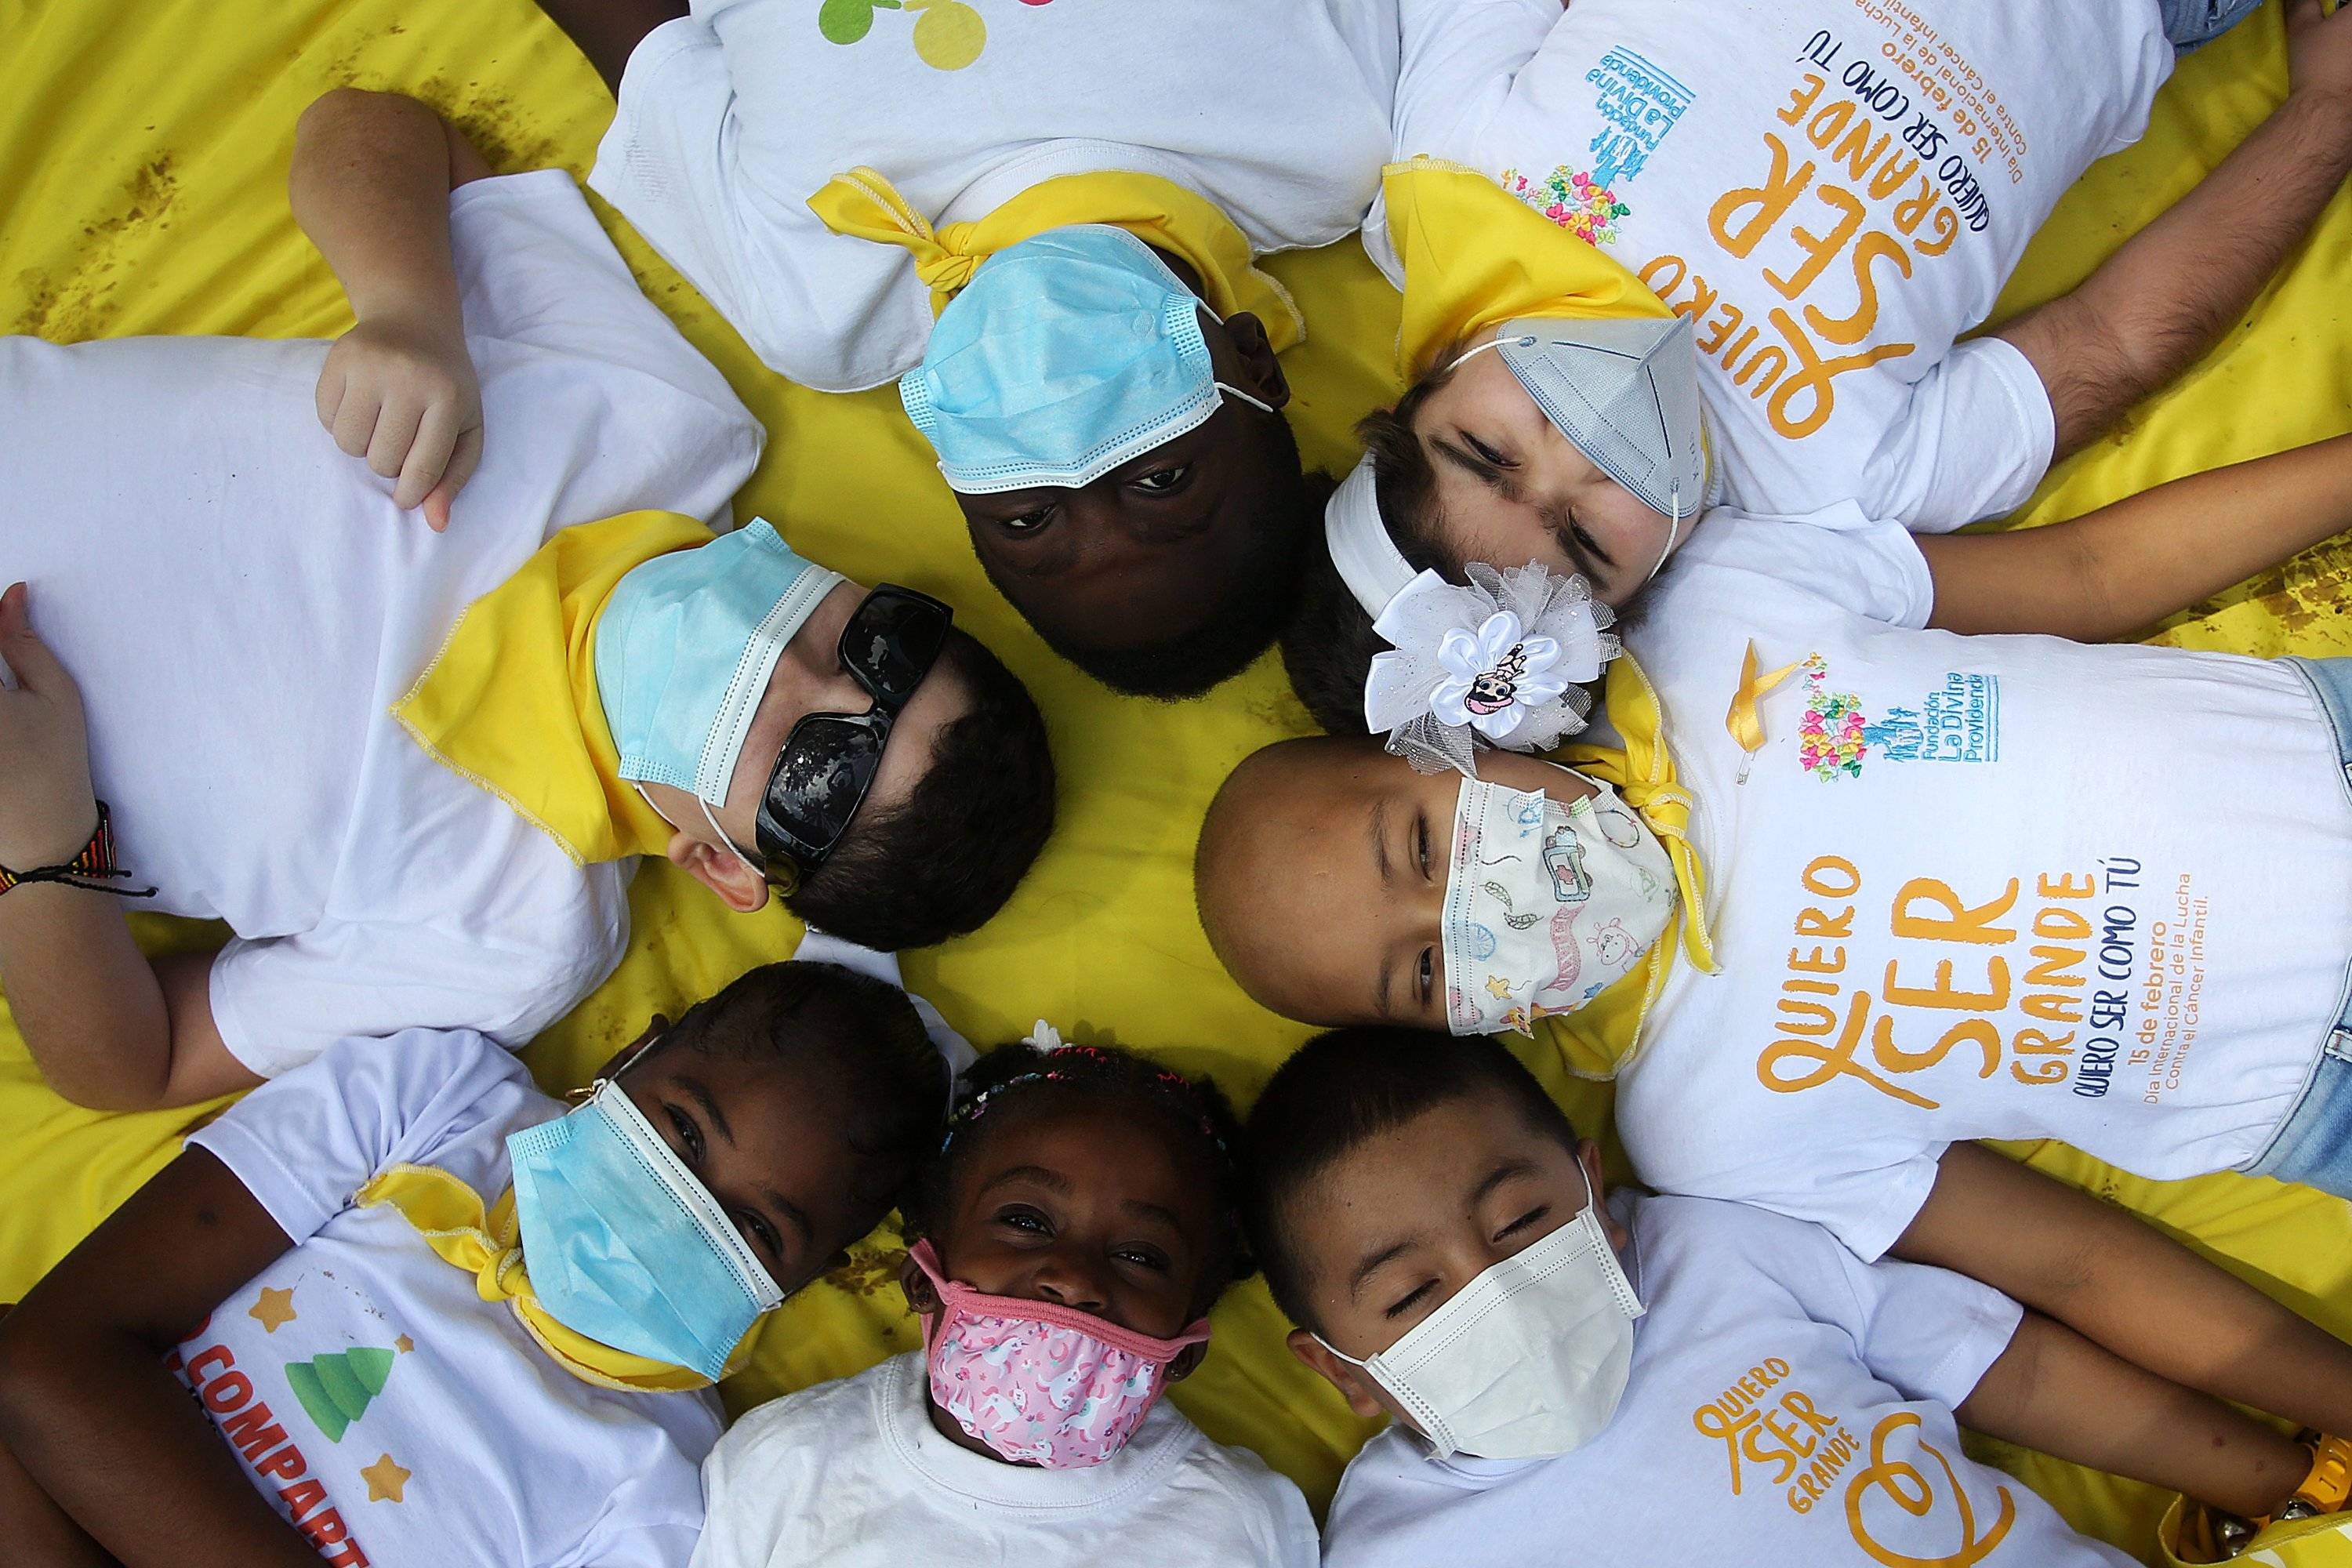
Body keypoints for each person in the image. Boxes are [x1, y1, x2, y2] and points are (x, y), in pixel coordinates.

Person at [1196, 427, 2352, 1472]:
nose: (1474, 910)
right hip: (2317, 1079)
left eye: (1418, 846)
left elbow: (2092, 572)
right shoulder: (1705, 1134)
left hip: (2320, 755)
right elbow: (2074, 1266)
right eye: (1427, 971)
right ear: (1457, 1032)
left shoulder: (1712, 610)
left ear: (1446, 734)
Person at [0, 89, 1055, 1114]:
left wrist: (45, 848)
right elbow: (369, 128)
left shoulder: (508, 940)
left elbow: (132, 1065)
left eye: (819, 770)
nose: (800, 674)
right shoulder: (659, 425)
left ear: (720, 869)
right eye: (881, 649)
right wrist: (409, 311)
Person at [1282, 0, 2352, 714]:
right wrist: (2326, 114)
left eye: (1490, 452)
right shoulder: (1829, 488)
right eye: (1580, 535)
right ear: (1635, 599)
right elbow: (2109, 341)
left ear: (1422, 386)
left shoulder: (1451, 174)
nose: (1581, 450)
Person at [528, 0, 1397, 698]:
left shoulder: (818, 303)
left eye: (1029, 517)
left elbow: (644, 47)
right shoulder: (1330, 143)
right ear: (1253, 365)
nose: (1062, 438)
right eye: (1159, 478)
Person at [1251, 1029, 2352, 1567]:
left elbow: (2013, 1369)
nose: (1499, 1290)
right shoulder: (1394, 1547)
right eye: (1409, 1295)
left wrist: (2286, 1480)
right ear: (1341, 1370)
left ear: (1595, 1189)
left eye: (1520, 1224)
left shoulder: (1716, 1253)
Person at [0, 957, 952, 1568]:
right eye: (683, 1129)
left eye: (750, 1225)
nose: (670, 1210)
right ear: (636, 1052)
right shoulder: (434, 1101)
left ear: (810, 1278)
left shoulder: (660, 1493)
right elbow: (44, 1365)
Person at [689, 1033, 1317, 1567]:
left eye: (1141, 1257)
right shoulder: (787, 1464)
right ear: (919, 1278)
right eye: (1026, 1221)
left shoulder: (1241, 1525)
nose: (1073, 1279)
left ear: (1183, 1354)